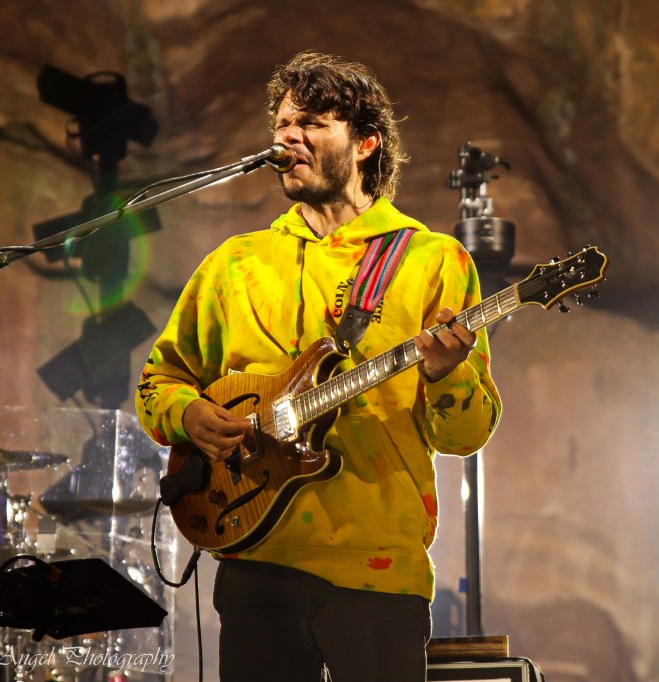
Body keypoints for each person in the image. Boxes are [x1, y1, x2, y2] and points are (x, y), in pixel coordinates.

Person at [136, 51, 502, 681]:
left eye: (310, 123)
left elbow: (466, 436)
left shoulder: (434, 260)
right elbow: (156, 383)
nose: (288, 136)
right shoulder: (234, 264)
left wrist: (449, 373)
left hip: (377, 568)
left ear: (366, 143)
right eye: (282, 124)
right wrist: (188, 414)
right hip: (252, 554)